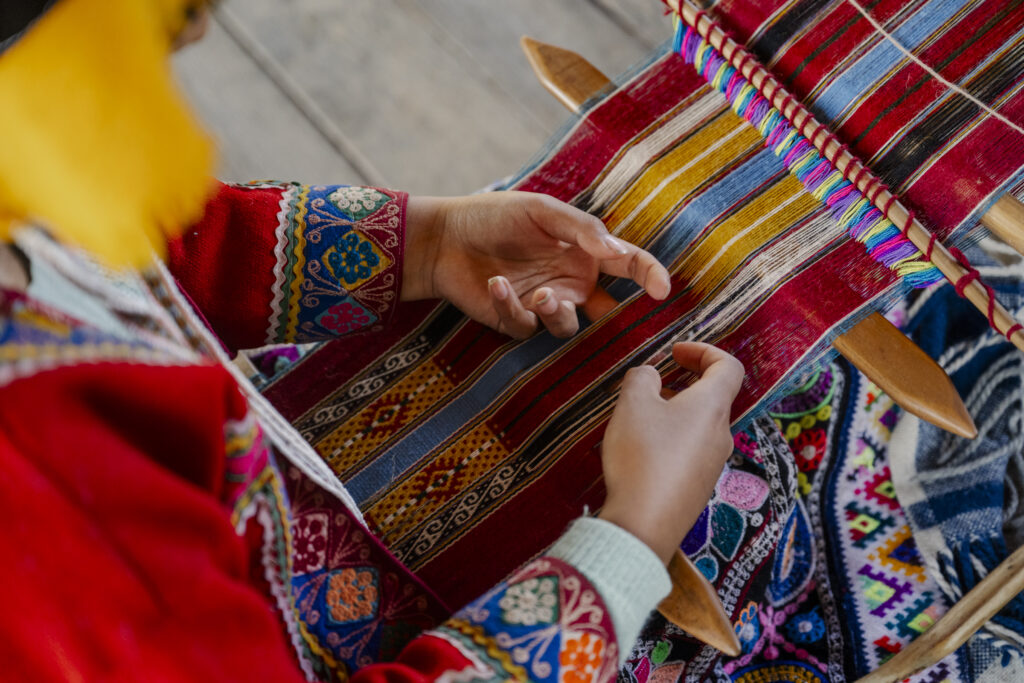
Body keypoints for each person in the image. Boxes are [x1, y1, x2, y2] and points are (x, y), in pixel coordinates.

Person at [0, 1, 744, 680]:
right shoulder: (57, 520)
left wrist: (425, 244)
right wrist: (632, 541)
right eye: (173, 17)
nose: (198, 31)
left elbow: (139, 252)